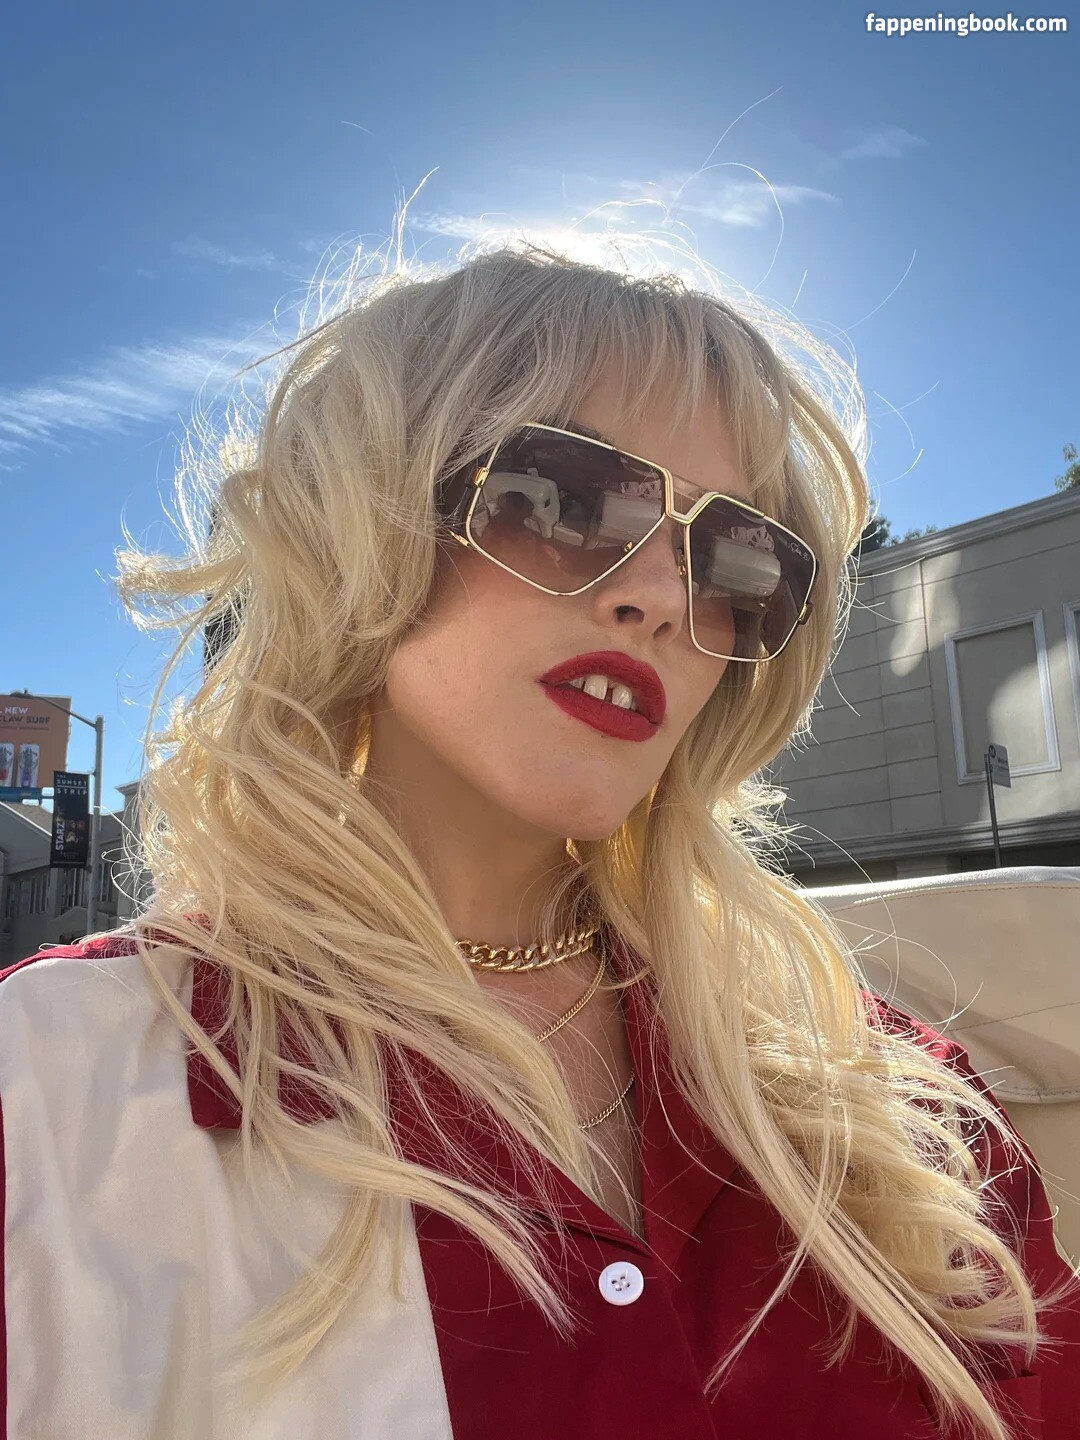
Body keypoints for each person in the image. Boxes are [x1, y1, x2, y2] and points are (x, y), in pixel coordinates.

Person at [1, 230, 1077, 1440]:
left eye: (737, 559)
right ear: (365, 516)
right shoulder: (51, 1092)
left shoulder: (896, 1105)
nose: (661, 596)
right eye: (565, 499)